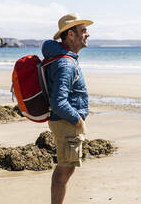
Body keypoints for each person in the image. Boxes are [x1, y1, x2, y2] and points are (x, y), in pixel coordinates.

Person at [41, 13, 93, 204]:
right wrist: (78, 120)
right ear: (71, 35)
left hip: (62, 121)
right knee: (64, 170)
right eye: (84, 31)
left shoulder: (63, 58)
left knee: (65, 168)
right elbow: (58, 101)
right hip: (66, 122)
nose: (87, 35)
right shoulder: (65, 63)